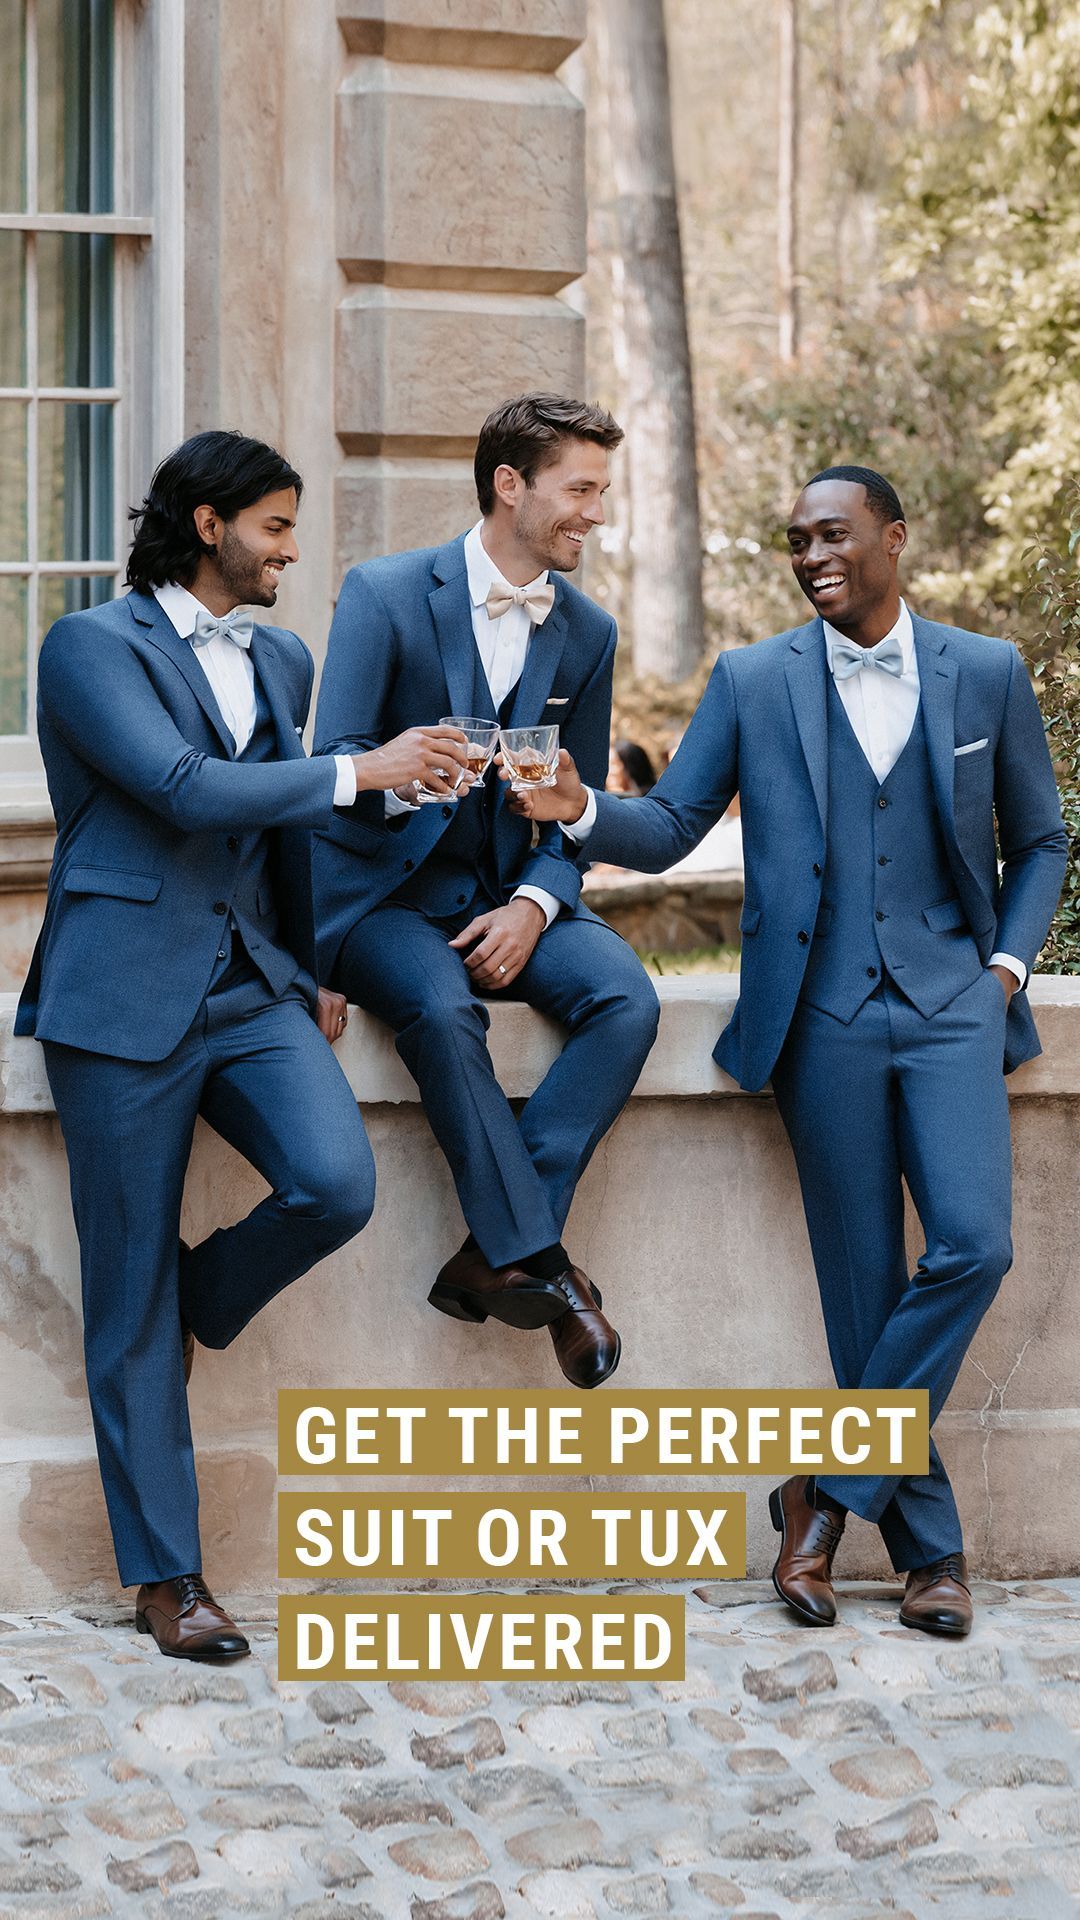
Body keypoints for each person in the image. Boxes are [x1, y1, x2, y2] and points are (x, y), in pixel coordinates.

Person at [508, 464, 1067, 1636]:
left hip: (956, 1006)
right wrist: (580, 809)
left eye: (834, 535)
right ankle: (931, 1555)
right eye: (797, 541)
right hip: (822, 1019)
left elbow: (1042, 842)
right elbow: (672, 824)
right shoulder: (754, 680)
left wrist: (1006, 971)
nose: (813, 556)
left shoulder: (985, 670)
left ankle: (824, 1494)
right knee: (862, 1288)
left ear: (894, 537)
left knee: (974, 1246)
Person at [16, 430, 469, 1660]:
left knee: (336, 1183)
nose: (291, 550)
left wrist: (310, 964)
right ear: (208, 525)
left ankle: (191, 1298)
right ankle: (171, 1579)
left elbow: (281, 834)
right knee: (124, 1294)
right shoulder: (88, 647)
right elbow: (182, 788)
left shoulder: (282, 655)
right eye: (275, 526)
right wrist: (357, 770)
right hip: (120, 997)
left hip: (253, 991)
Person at [312, 394, 660, 1389]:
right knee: (440, 1006)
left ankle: (495, 1250)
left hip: (510, 893)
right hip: (382, 898)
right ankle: (552, 1273)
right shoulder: (383, 594)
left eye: (602, 491)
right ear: (510, 484)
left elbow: (568, 810)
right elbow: (331, 767)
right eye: (580, 490)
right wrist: (402, 774)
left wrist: (535, 906)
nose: (595, 513)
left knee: (626, 998)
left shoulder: (588, 632)